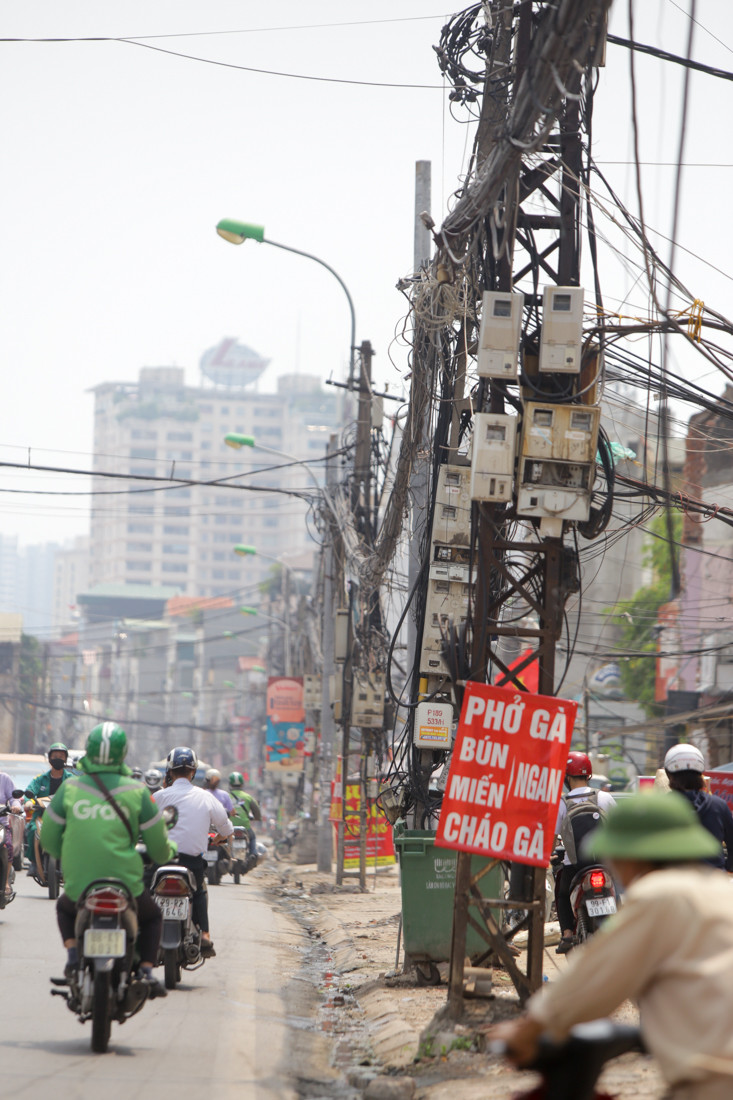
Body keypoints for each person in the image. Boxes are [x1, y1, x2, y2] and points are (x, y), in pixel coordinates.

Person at [492, 792, 733, 1099]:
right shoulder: (720, 890)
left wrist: (528, 1031)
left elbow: (592, 980)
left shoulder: (658, 895)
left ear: (633, 857)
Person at [40, 723, 176, 998]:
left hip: (80, 885)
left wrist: (73, 855)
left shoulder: (69, 789)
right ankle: (146, 971)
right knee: (152, 917)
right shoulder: (138, 792)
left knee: (65, 908)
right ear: (123, 753)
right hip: (126, 885)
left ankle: (73, 957)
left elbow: (49, 842)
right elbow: (160, 851)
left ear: (88, 751)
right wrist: (170, 850)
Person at [153, 747, 232, 956]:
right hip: (192, 862)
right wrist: (219, 838)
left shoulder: (159, 796)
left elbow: (142, 823)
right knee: (199, 892)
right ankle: (205, 934)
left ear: (169, 772)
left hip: (162, 860)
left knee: (147, 889)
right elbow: (226, 828)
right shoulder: (206, 797)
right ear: (193, 772)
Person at [554, 750, 616, 954]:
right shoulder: (604, 797)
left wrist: (550, 853)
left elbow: (552, 838)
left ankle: (567, 934)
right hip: (604, 864)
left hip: (575, 866)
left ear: (567, 777)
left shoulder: (562, 804)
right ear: (588, 774)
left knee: (562, 893)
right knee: (618, 888)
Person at [663, 743, 733, 870]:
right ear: (700, 773)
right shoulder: (719, 806)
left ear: (668, 774)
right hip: (713, 878)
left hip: (673, 877)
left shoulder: (660, 808)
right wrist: (724, 869)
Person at [24, 743, 75, 863]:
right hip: (41, 817)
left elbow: (78, 795)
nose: (58, 759)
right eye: (55, 756)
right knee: (32, 831)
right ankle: (35, 862)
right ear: (50, 758)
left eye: (61, 756)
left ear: (65, 759)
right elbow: (29, 793)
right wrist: (29, 802)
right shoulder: (40, 779)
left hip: (65, 818)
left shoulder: (72, 779)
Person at [228, 771, 263, 863]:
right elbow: (257, 812)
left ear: (230, 784)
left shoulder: (226, 797)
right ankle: (253, 853)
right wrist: (257, 818)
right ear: (242, 784)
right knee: (252, 837)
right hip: (245, 827)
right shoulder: (247, 797)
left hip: (229, 827)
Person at [0, 772, 23, 898]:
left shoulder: (4, 778)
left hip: (1, 825)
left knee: (7, 845)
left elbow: (14, 798)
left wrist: (15, 806)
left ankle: (5, 882)